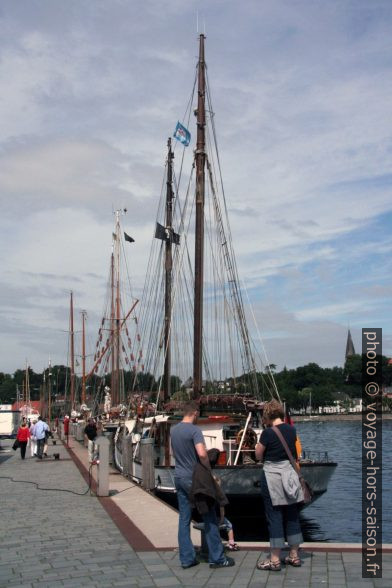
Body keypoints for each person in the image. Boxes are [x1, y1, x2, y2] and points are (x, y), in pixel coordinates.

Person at [170, 401, 234, 570]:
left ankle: (187, 559)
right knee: (209, 515)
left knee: (184, 518)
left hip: (179, 477)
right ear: (195, 413)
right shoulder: (194, 431)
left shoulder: (174, 430)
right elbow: (202, 453)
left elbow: (173, 453)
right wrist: (208, 469)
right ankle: (217, 558)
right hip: (195, 479)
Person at [255, 399, 303, 571]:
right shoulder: (291, 429)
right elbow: (295, 452)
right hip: (290, 474)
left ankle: (274, 559)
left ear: (267, 414)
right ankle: (294, 556)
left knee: (274, 515)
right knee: (292, 514)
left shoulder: (267, 433)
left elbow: (259, 455)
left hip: (272, 476)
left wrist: (257, 447)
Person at [206, 449, 239, 551]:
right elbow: (222, 508)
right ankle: (231, 543)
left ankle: (211, 544)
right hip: (218, 517)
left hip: (210, 514)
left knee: (211, 527)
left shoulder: (210, 494)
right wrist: (222, 518)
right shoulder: (219, 496)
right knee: (229, 526)